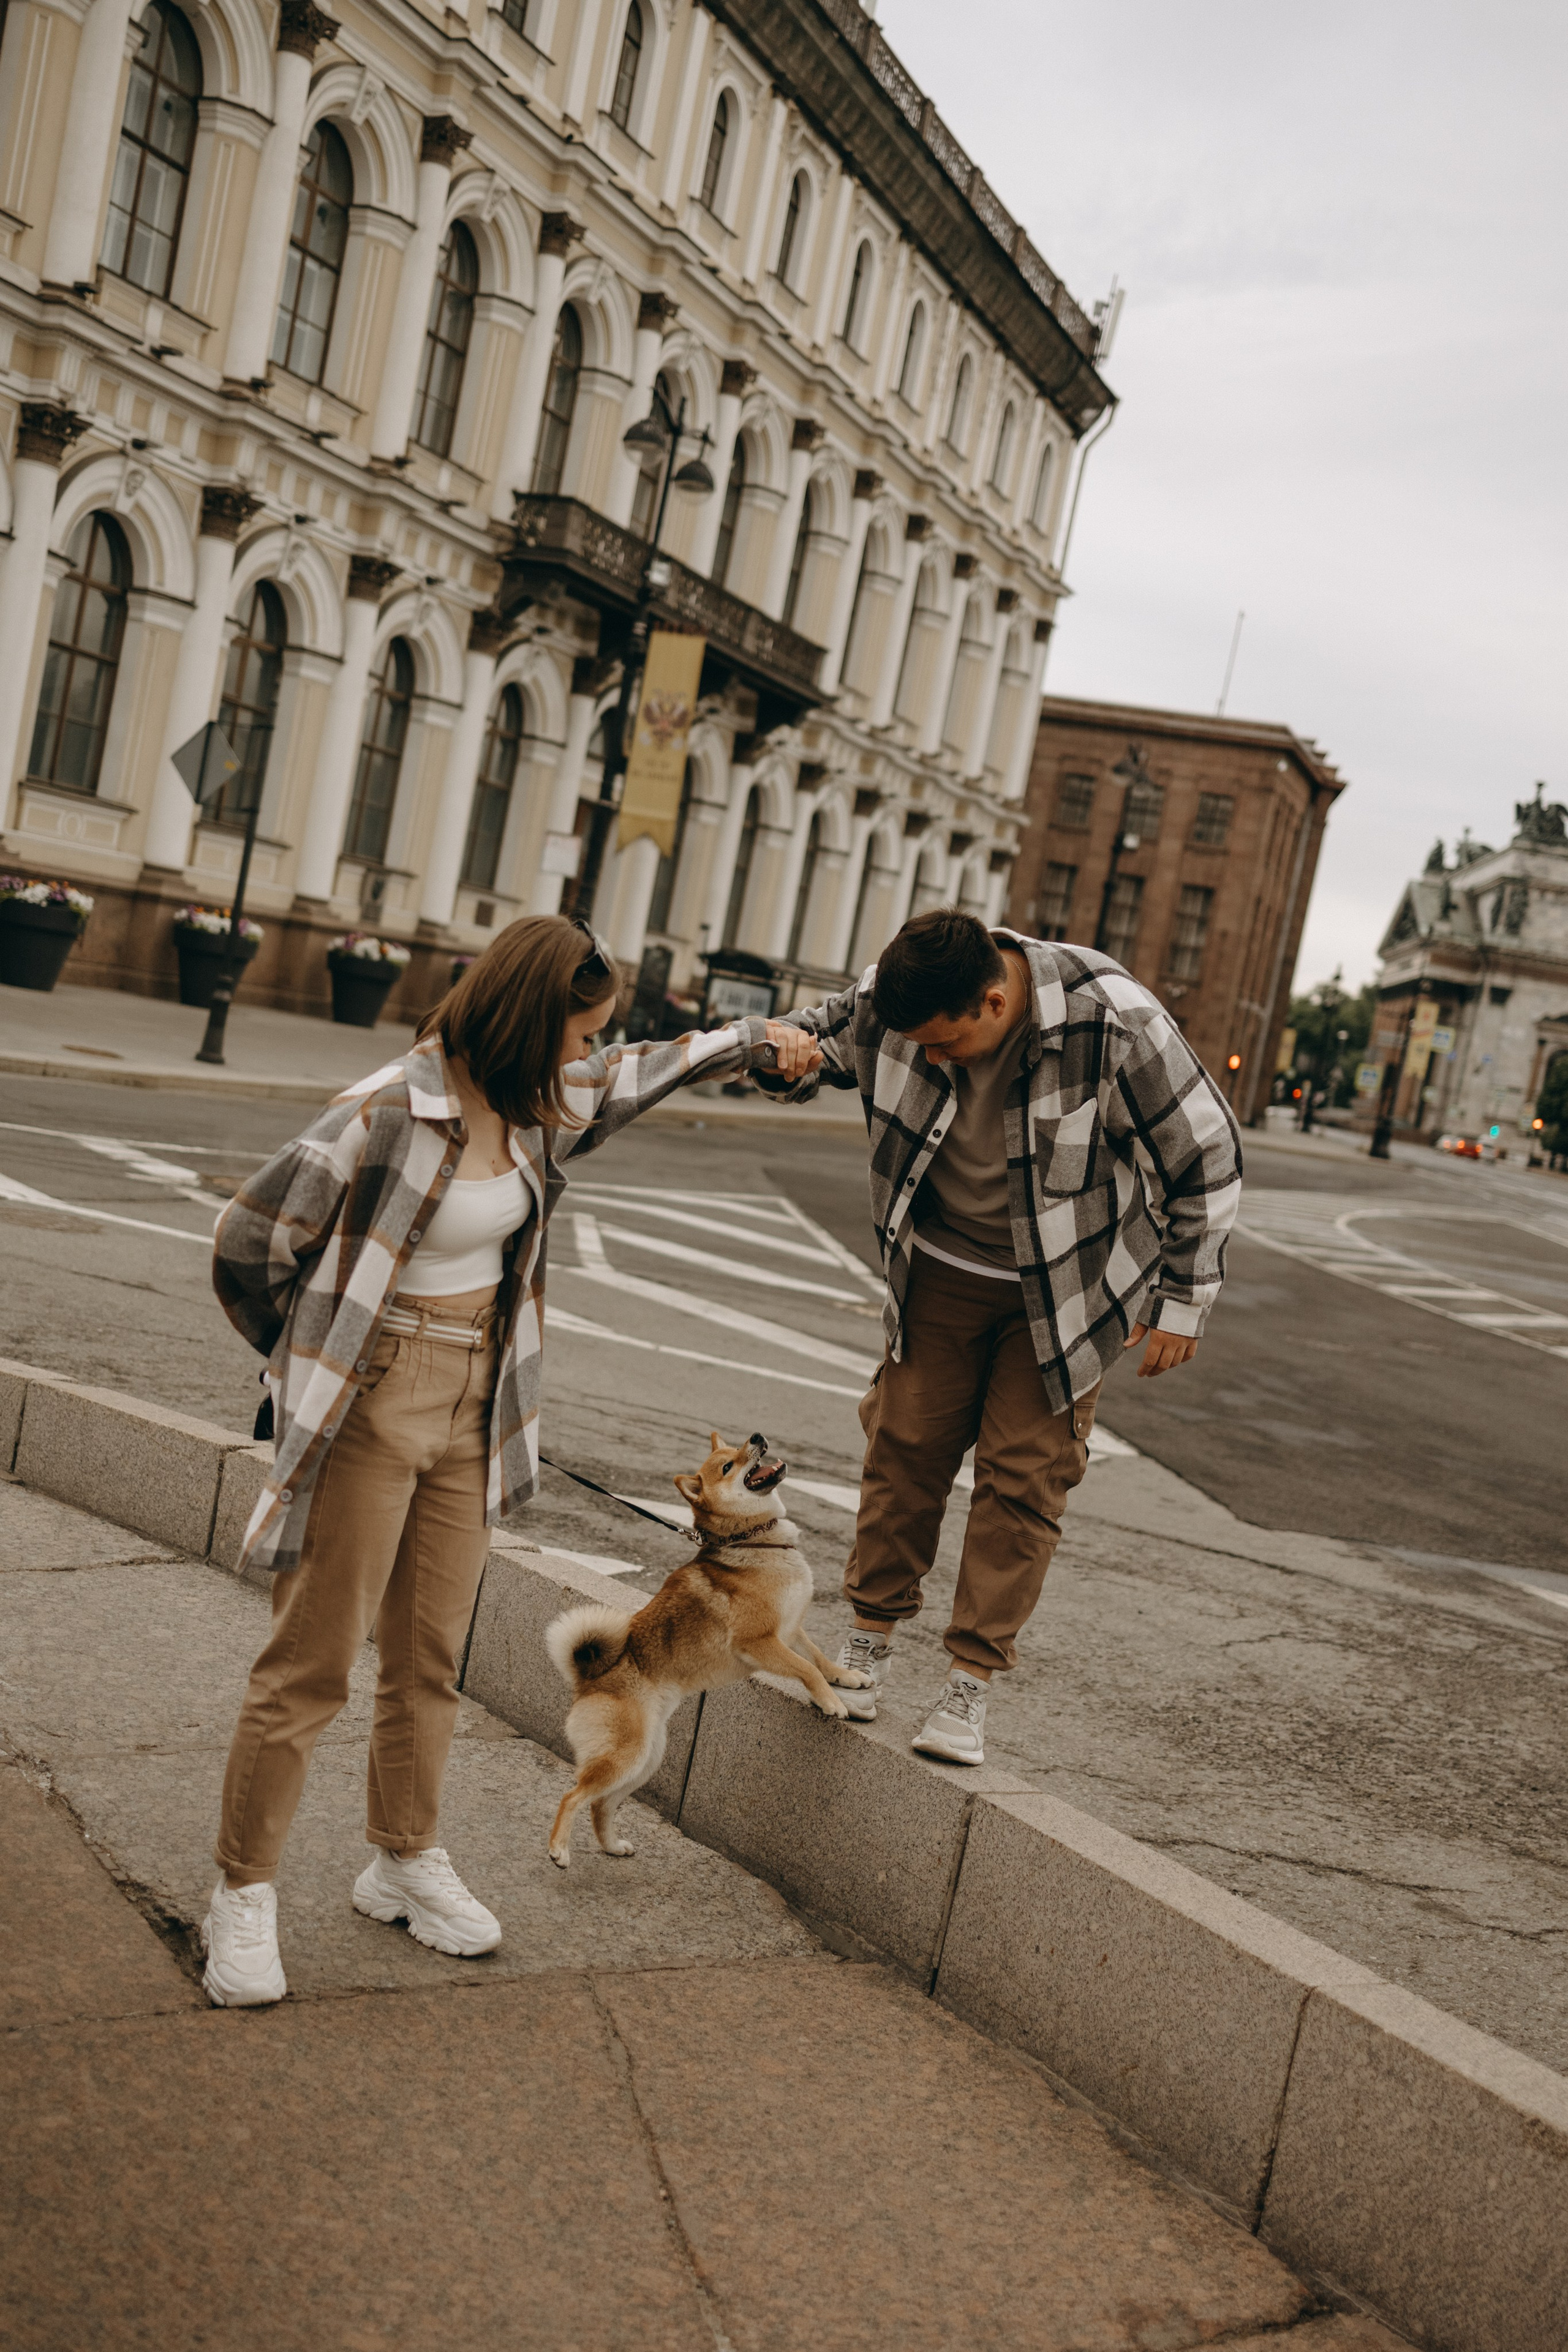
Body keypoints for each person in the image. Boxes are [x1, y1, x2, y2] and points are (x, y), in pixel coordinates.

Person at [201, 914, 801, 2007]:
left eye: (590, 1042)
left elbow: (639, 1071)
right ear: (528, 1023)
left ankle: (402, 1858)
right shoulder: (390, 1110)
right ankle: (243, 1892)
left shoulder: (541, 1103)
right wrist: (315, 1375)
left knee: (430, 1656)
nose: (587, 1059)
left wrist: (764, 1040)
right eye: (576, 1037)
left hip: (479, 1400)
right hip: (376, 1400)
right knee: (313, 1662)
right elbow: (250, 1244)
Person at [755, 907, 1242, 1765]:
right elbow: (811, 1043)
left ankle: (968, 1687)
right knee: (903, 1450)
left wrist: (1182, 1301)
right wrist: (781, 1052)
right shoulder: (898, 1000)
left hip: (1069, 1293)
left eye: (944, 1046)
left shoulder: (1115, 1023)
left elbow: (1207, 1156)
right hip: (941, 1267)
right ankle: (866, 1646)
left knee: (1024, 1477)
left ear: (992, 1000)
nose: (930, 1061)